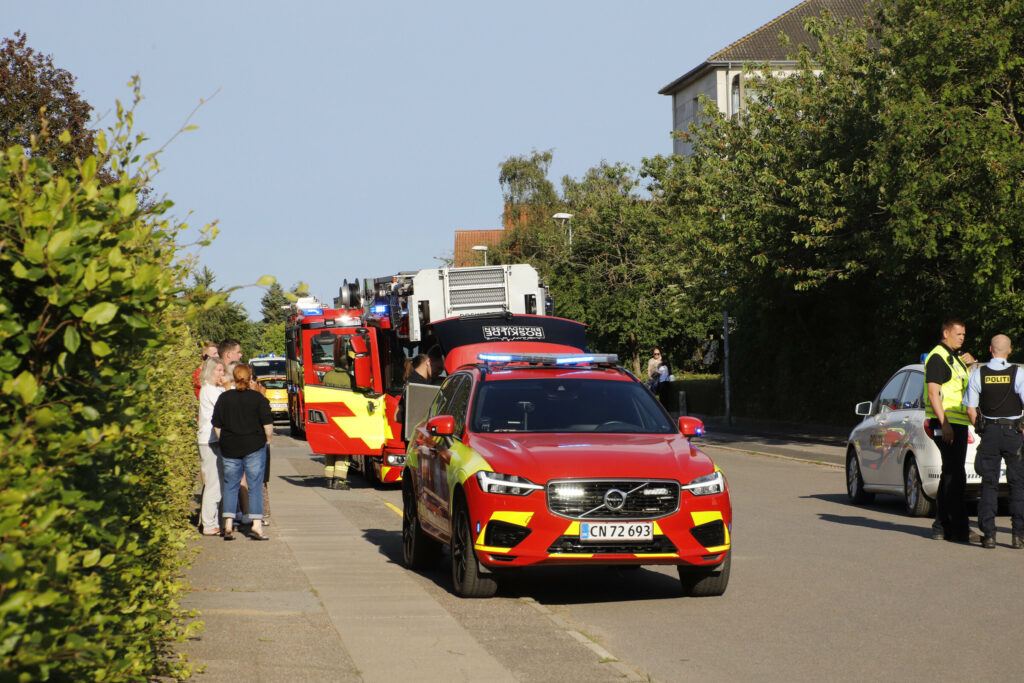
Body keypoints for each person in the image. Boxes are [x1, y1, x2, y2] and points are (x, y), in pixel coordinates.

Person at [964, 334, 1024, 549]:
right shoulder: (1018, 373)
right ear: (1010, 351)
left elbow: (971, 409)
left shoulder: (978, 374)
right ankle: (1018, 536)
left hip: (989, 433)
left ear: (990, 349)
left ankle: (989, 535)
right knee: (1018, 484)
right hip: (1013, 434)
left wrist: (983, 431)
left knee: (988, 484)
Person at [923, 319, 977, 543]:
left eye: (964, 334)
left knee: (950, 473)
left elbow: (963, 388)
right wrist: (944, 423)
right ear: (945, 333)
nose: (962, 338)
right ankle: (960, 529)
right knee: (956, 476)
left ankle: (941, 526)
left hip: (957, 422)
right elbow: (933, 393)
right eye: (958, 334)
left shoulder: (954, 358)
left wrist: (971, 365)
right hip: (947, 422)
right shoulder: (938, 357)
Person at [212, 364, 272, 541]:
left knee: (230, 485)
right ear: (250, 377)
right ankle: (256, 526)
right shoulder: (258, 398)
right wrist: (267, 440)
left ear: (234, 377)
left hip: (230, 447)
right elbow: (268, 425)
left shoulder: (224, 398)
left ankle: (228, 525)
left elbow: (216, 425)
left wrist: (224, 440)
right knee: (254, 486)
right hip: (254, 446)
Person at [196, 358, 226, 535]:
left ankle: (212, 521)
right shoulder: (209, 390)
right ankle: (208, 524)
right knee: (213, 483)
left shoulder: (214, 389)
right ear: (210, 371)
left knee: (217, 481)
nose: (222, 374)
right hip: (209, 441)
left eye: (223, 371)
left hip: (213, 440)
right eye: (219, 370)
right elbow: (225, 405)